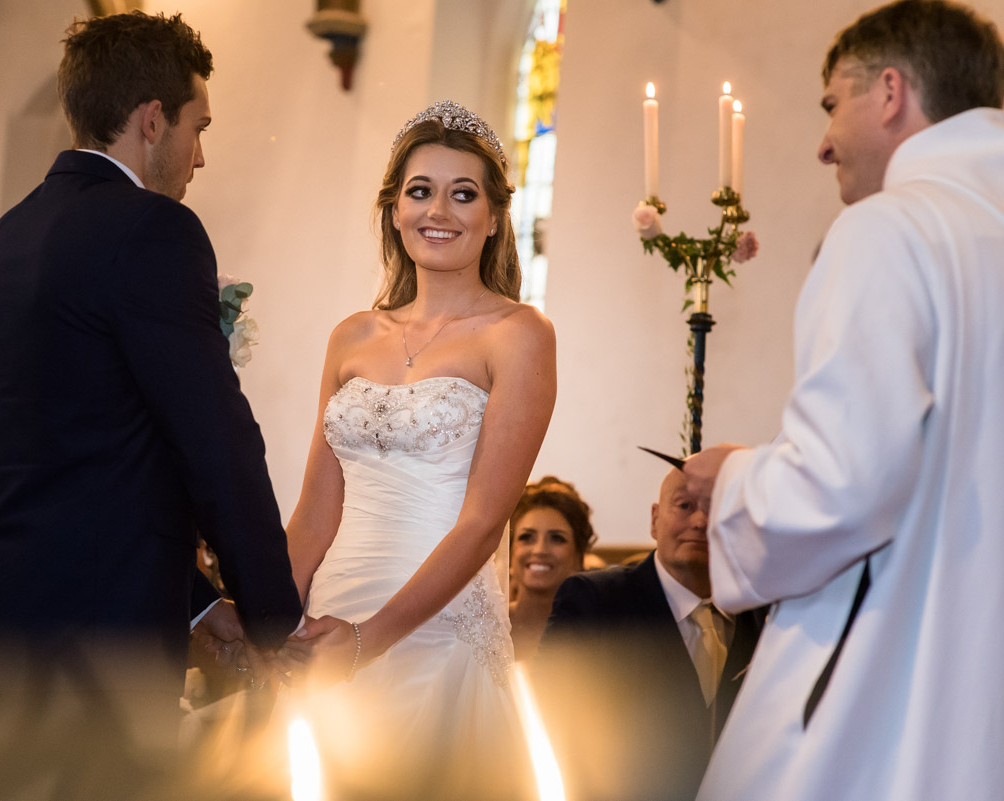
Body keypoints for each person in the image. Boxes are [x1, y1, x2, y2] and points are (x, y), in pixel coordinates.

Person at [682, 2, 1004, 799]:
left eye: (833, 104)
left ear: (890, 91)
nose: (823, 141)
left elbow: (841, 486)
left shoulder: (889, 230)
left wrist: (734, 479)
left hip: (881, 685)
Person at [0, 11, 302, 694]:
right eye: (198, 128)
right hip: (98, 646)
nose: (200, 155)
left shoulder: (6, 238)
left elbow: (77, 463)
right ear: (151, 120)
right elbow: (215, 442)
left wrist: (199, 602)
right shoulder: (154, 232)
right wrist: (274, 620)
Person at [283, 100, 557, 796]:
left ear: (494, 216)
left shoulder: (519, 334)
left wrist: (369, 640)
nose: (441, 210)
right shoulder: (351, 335)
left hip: (436, 626)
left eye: (464, 194)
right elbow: (316, 510)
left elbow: (483, 520)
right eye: (420, 190)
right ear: (395, 210)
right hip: (332, 611)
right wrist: (272, 623)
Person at [539, 468, 762, 801]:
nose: (701, 521)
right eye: (685, 505)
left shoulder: (762, 615)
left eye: (717, 508)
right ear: (655, 518)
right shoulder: (595, 601)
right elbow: (551, 722)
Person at [508, 475, 595, 661]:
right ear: (509, 553)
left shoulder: (595, 634)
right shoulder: (487, 627)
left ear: (578, 557)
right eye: (526, 537)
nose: (540, 550)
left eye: (557, 538)